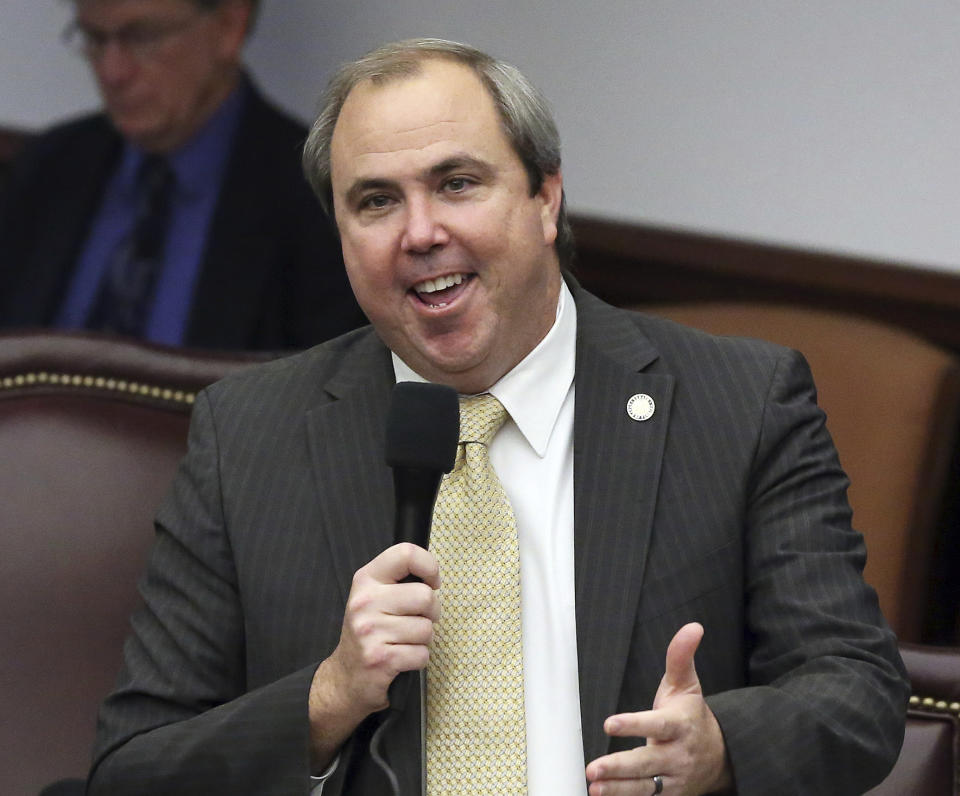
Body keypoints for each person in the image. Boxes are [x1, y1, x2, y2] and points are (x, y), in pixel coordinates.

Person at [88, 38, 908, 795]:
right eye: (375, 201)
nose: (420, 232)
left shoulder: (738, 404)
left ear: (545, 197)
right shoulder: (249, 434)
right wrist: (324, 699)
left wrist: (721, 747)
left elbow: (858, 693)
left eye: (456, 183)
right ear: (339, 234)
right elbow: (131, 769)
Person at [0, 0, 364, 350]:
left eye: (142, 36)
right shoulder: (43, 169)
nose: (112, 71)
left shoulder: (317, 195)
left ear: (228, 26)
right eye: (95, 39)